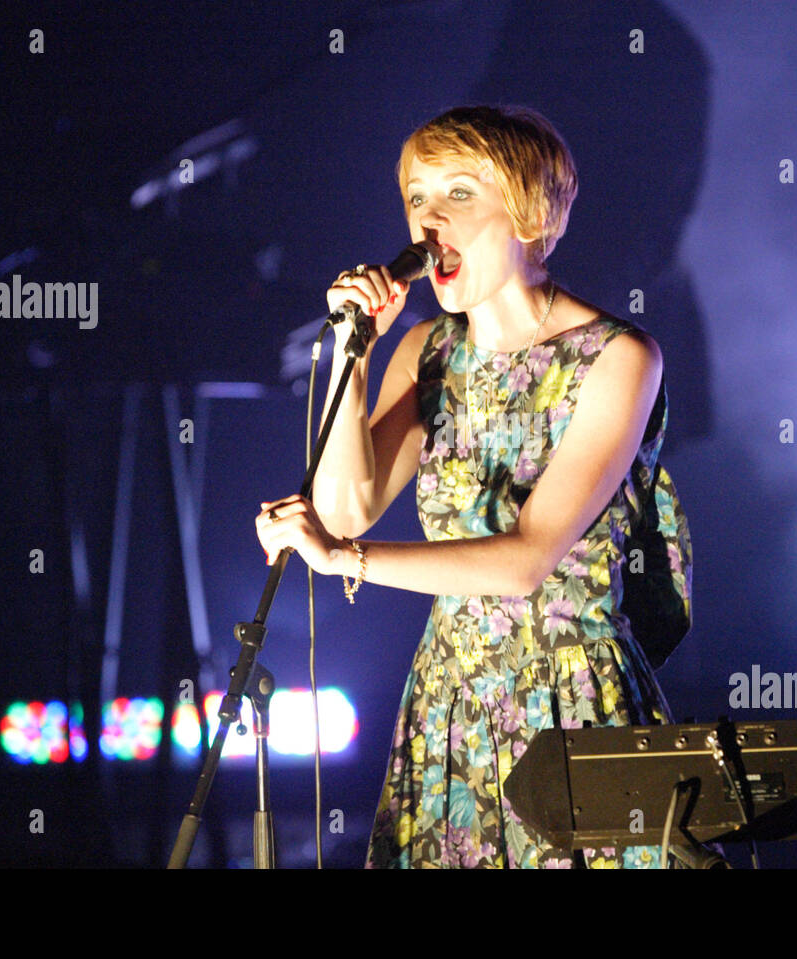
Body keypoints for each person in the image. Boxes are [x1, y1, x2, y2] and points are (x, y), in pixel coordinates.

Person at [255, 105, 689, 868]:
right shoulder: (427, 351)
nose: (428, 220)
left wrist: (346, 559)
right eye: (417, 198)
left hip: (572, 706)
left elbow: (525, 561)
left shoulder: (619, 357)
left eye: (458, 195)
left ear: (527, 209)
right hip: (451, 701)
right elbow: (345, 504)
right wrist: (358, 353)